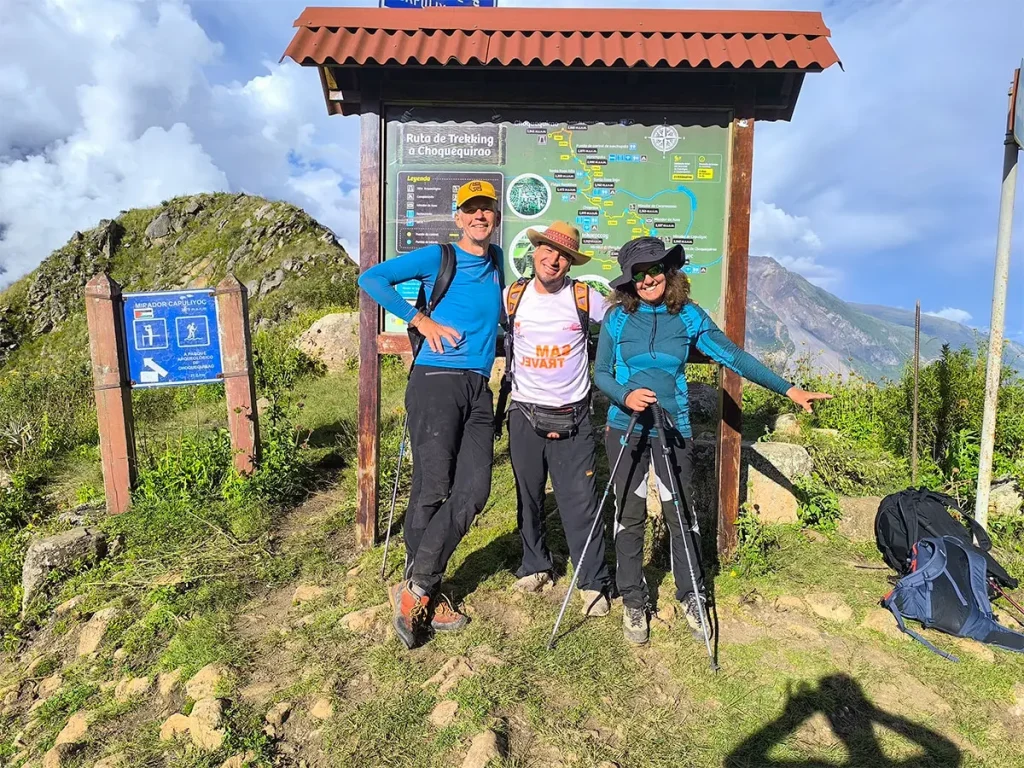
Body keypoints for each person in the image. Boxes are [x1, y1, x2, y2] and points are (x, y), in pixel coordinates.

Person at [594, 236, 831, 645]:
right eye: (639, 274)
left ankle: (692, 594)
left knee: (681, 513)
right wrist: (625, 396)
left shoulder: (688, 316)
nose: (648, 280)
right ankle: (634, 599)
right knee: (628, 513)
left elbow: (733, 357)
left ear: (670, 272)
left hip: (674, 429)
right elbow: (600, 374)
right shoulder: (616, 320)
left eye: (656, 270)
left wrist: (789, 389)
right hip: (626, 427)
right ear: (629, 282)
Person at [356, 180, 505, 649]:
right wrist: (420, 321)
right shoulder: (439, 257)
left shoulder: (497, 262)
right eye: (471, 210)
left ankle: (416, 588)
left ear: (495, 218)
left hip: (479, 388)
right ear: (458, 218)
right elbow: (372, 278)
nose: (480, 216)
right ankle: (425, 590)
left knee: (474, 490)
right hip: (436, 380)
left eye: (487, 209)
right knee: (432, 489)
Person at [498, 221, 612, 616]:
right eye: (548, 250)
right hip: (523, 412)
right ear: (535, 252)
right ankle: (535, 565)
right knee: (528, 496)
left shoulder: (584, 297)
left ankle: (593, 582)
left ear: (571, 262)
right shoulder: (512, 296)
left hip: (574, 415)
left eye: (563, 255)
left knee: (580, 501)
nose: (554, 259)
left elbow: (622, 320)